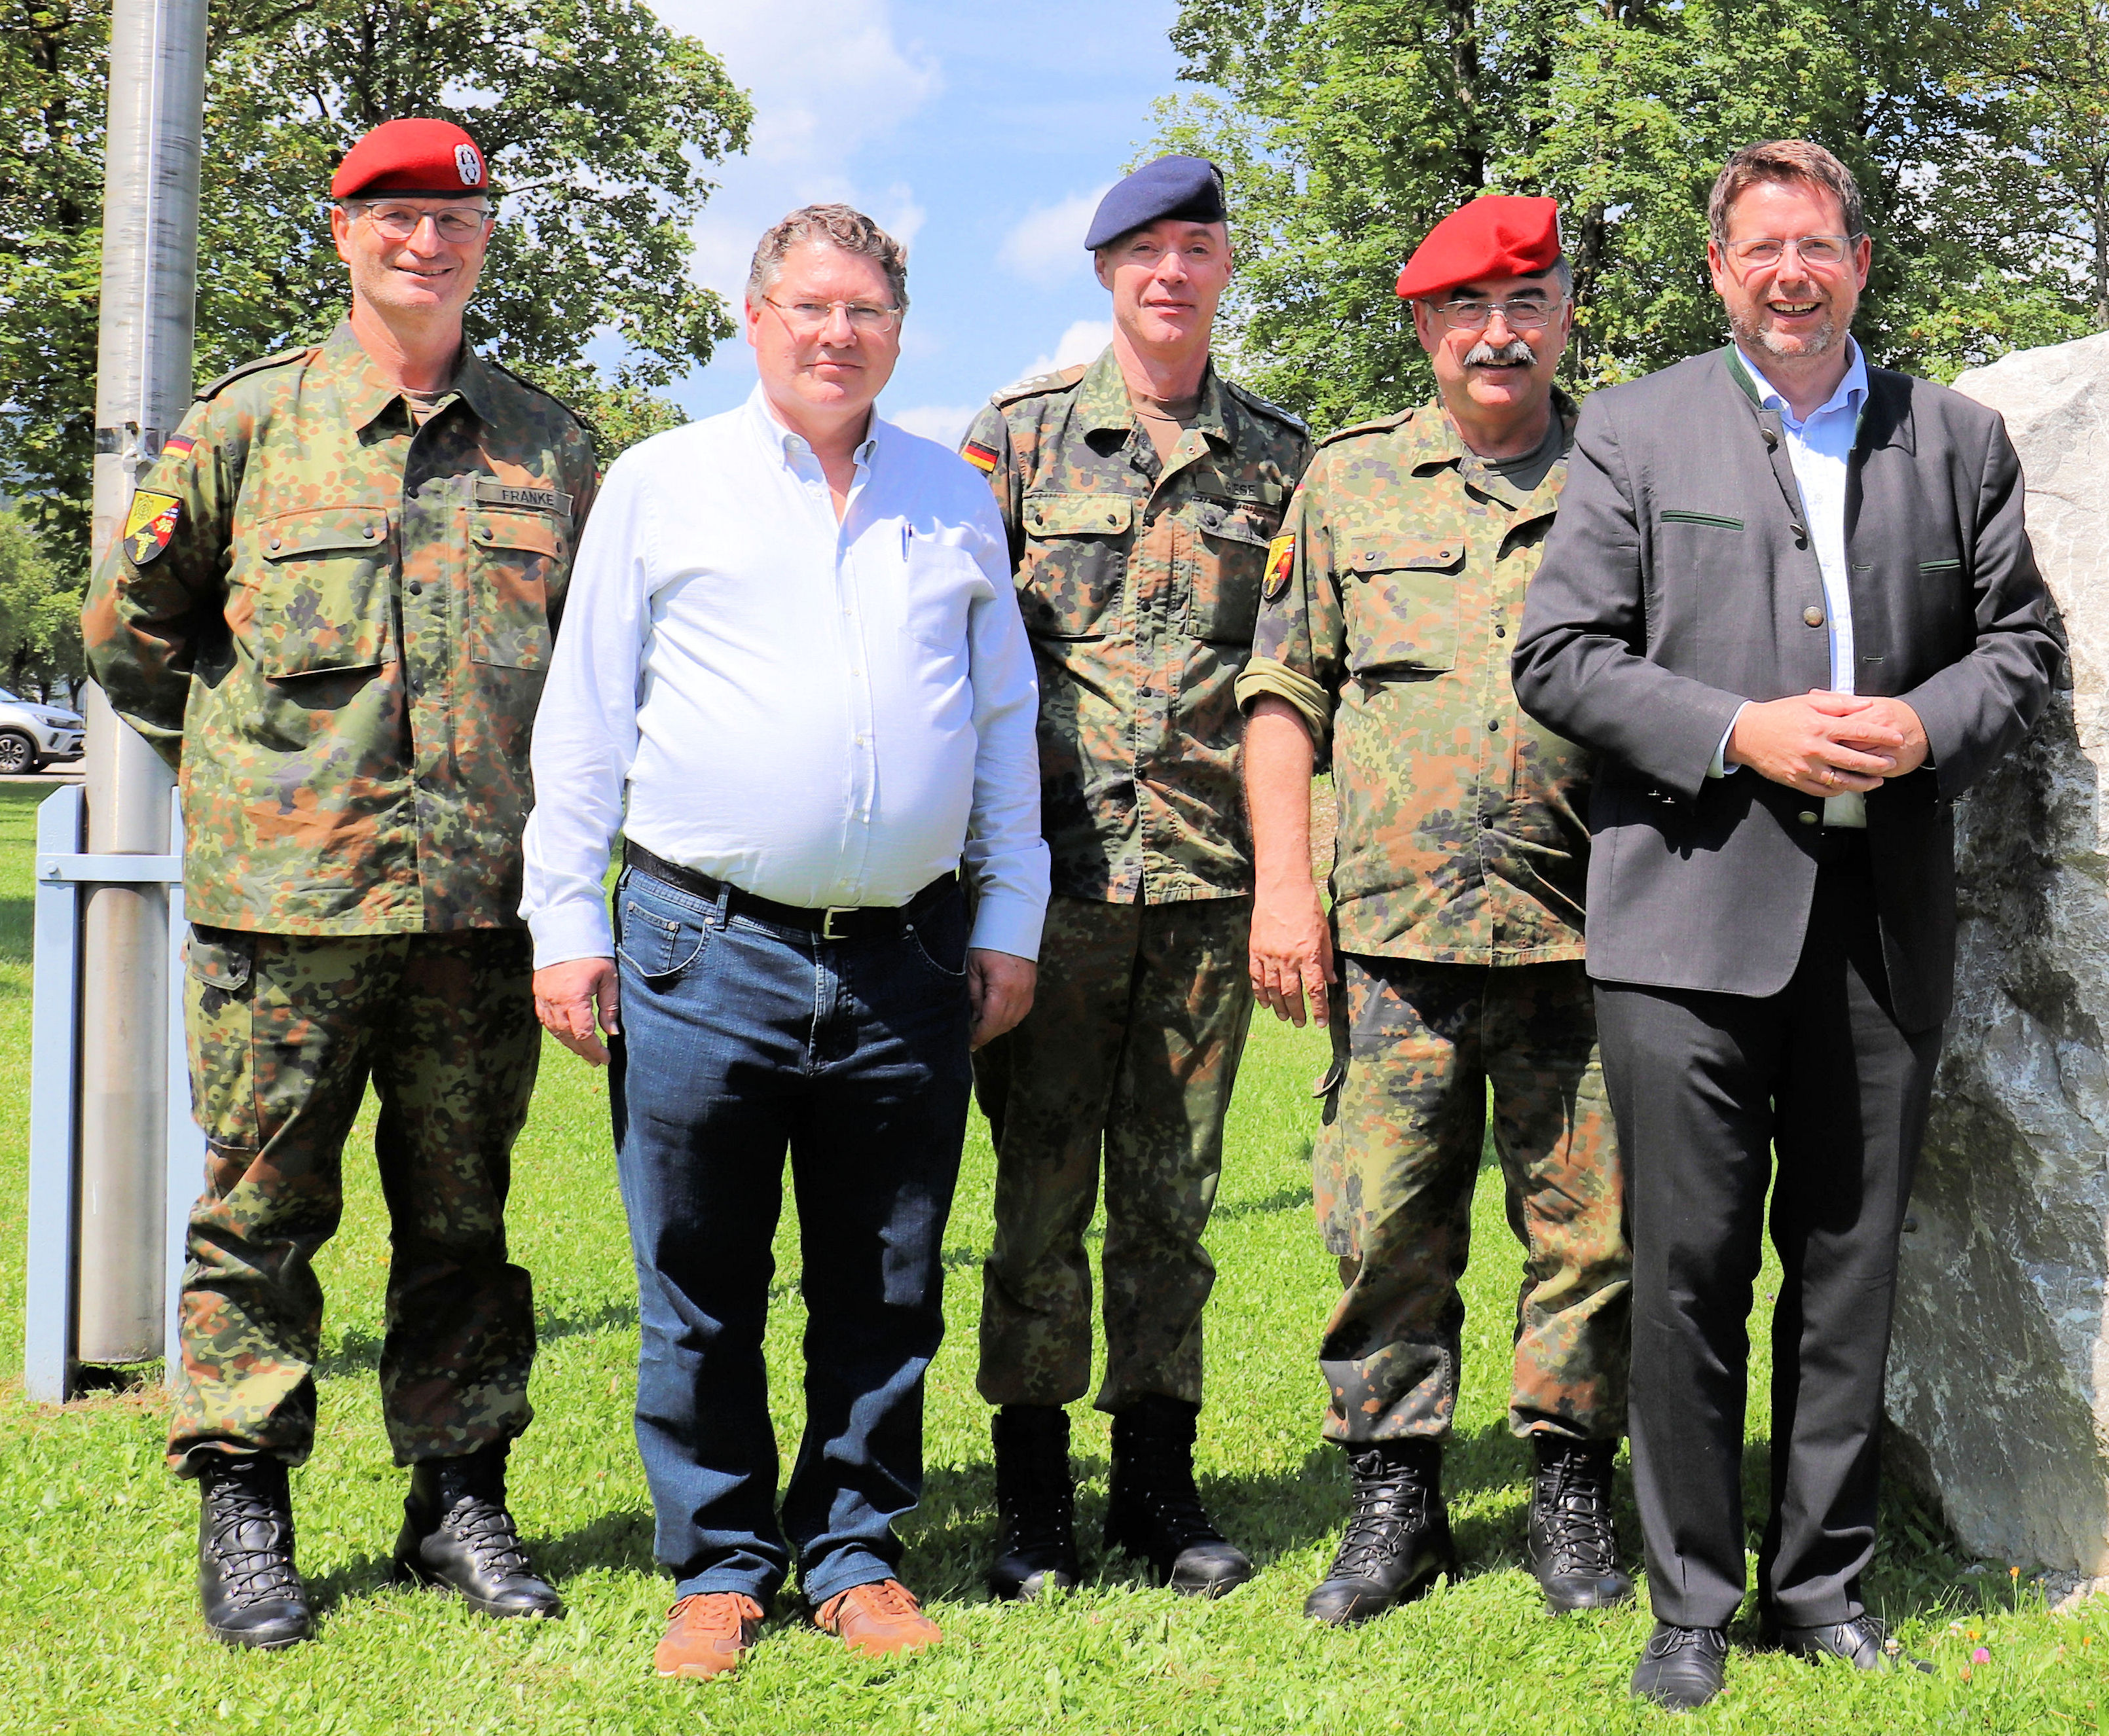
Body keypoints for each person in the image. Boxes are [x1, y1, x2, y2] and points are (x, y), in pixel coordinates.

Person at [1513, 139, 2064, 1710]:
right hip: (1686, 926)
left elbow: (2018, 645)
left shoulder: (1956, 440)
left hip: (1879, 928)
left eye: (1813, 247)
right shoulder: (1631, 432)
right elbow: (1560, 657)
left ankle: (1821, 1584)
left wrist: (1932, 724)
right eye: (1758, 251)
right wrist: (1736, 730)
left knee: (1849, 1269)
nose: (1788, 276)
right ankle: (1690, 1598)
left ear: (1860, 262)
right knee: (1684, 1273)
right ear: (1718, 271)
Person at [81, 116, 593, 1651]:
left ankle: (457, 1498)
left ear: (485, 240)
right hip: (279, 917)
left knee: (463, 1221)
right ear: (341, 231)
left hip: (474, 918)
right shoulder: (249, 428)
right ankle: (247, 1509)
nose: (422, 243)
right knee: (257, 1221)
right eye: (392, 217)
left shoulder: (550, 447)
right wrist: (253, 784)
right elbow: (128, 633)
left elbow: (586, 666)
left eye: (451, 219)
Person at [522, 204, 1046, 1678]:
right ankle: (720, 1560)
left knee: (885, 1275)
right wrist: (567, 921)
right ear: (755, 319)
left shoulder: (951, 496)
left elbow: (1003, 728)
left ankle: (858, 1551)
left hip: (910, 957)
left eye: (866, 312)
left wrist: (1011, 917)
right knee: (698, 1275)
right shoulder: (661, 484)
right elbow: (585, 721)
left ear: (898, 330)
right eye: (810, 307)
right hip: (702, 944)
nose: (837, 334)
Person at [1238, 195, 1633, 1625]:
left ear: (1562, 319)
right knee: (1383, 1223)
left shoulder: (1627, 473)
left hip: (1588, 929)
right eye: (1467, 309)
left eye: (1526, 303)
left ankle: (1570, 1488)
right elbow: (1285, 696)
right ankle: (1394, 1496)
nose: (1497, 332)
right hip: (1392, 936)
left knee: (1593, 1231)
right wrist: (1287, 889)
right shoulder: (1347, 486)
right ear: (1423, 326)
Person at [955, 156, 1308, 1602]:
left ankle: (1159, 1485)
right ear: (1105, 272)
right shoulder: (1017, 440)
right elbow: (960, 666)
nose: (1170, 273)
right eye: (1143, 251)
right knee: (1038, 1195)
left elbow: (1297, 679)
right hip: (1054, 884)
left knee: (1175, 1199)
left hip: (1209, 893)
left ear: (1226, 270)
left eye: (1196, 249)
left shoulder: (1284, 463)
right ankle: (1035, 1494)